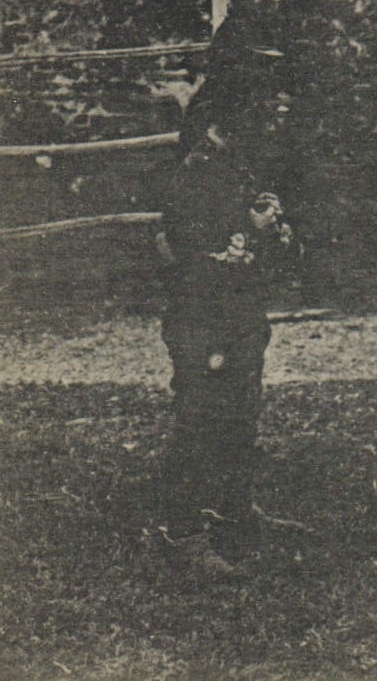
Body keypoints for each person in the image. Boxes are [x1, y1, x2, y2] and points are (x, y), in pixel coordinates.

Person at [154, 103, 298, 582]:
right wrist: (248, 234)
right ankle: (183, 537)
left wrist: (275, 233)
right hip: (202, 320)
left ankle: (236, 514)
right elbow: (186, 260)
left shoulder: (242, 164)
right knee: (200, 421)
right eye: (266, 103)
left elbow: (270, 255)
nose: (277, 112)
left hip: (239, 317)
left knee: (241, 414)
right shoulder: (195, 175)